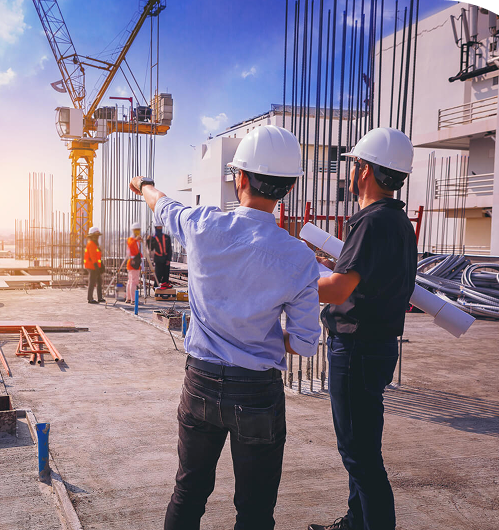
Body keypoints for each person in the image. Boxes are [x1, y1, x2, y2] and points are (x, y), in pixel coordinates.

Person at [130, 125, 321, 530]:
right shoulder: (299, 257)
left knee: (188, 492)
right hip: (257, 392)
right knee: (255, 511)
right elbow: (305, 344)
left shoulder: (203, 225)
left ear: (242, 178)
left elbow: (162, 204)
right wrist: (259, 336)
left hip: (200, 382)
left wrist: (144, 184)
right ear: (288, 186)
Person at [308, 128, 418, 530]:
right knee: (363, 444)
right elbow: (368, 279)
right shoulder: (397, 222)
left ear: (365, 170)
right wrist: (327, 265)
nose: (352, 172)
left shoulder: (369, 222)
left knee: (359, 455)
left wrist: (290, 279)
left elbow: (338, 290)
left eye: (354, 164)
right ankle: (356, 522)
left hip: (356, 348)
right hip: (377, 346)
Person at [84, 226, 105, 304]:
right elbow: (93, 257)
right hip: (91, 266)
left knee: (99, 281)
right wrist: (97, 267)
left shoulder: (95, 244)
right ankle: (90, 298)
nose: (97, 237)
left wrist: (101, 265)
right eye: (95, 236)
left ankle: (100, 297)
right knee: (92, 282)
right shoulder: (91, 244)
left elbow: (98, 257)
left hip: (95, 265)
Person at [125, 221, 143, 303]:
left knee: (130, 281)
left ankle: (129, 298)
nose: (137, 232)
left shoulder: (136, 241)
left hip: (135, 262)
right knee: (134, 282)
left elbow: (139, 251)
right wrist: (136, 240)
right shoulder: (131, 239)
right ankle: (133, 300)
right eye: (136, 230)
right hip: (133, 263)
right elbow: (131, 245)